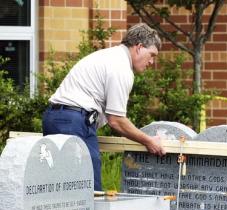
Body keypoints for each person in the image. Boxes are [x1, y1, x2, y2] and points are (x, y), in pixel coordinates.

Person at [42, 23, 166, 191]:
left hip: (64, 118)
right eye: (151, 55)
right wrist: (149, 141)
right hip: (73, 122)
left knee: (69, 191)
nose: (152, 61)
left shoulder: (111, 56)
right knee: (87, 192)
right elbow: (116, 121)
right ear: (139, 47)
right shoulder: (121, 69)